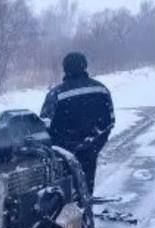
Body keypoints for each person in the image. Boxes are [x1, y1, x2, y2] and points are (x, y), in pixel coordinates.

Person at [40, 52, 115, 195]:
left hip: (64, 150)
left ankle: (71, 204)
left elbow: (45, 124)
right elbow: (110, 120)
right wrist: (95, 142)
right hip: (93, 145)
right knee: (87, 181)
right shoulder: (101, 89)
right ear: (85, 66)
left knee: (64, 187)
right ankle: (86, 202)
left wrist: (61, 144)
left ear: (65, 68)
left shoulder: (56, 93)